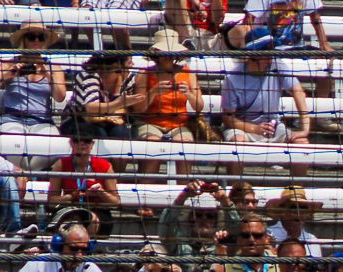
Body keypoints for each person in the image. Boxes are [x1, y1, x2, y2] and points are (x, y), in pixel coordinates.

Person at [221, 38, 311, 173]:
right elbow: (228, 119)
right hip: (243, 128)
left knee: (303, 144)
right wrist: (255, 128)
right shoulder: (232, 78)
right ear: (253, 55)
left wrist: (305, 129)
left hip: (273, 127)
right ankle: (236, 185)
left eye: (271, 50)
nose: (271, 56)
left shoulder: (277, 65)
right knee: (237, 143)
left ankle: (297, 186)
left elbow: (298, 91)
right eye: (266, 52)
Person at [0, 22, 69, 158]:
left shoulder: (53, 68)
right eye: (32, 36)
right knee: (12, 145)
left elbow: (60, 97)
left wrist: (47, 73)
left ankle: (24, 169)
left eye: (41, 37)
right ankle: (22, 169)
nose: (36, 41)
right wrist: (10, 73)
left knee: (54, 147)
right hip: (12, 120)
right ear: (24, 40)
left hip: (42, 121)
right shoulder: (10, 64)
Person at [132, 30, 204, 177]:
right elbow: (138, 109)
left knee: (184, 144)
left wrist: (188, 93)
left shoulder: (187, 72)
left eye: (171, 53)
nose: (168, 57)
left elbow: (199, 107)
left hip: (179, 124)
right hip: (150, 122)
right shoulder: (145, 74)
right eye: (164, 53)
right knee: (153, 144)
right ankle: (146, 186)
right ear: (156, 54)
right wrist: (153, 92)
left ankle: (184, 186)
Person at [46, 132, 121, 238]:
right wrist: (72, 196)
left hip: (97, 211)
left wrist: (100, 193)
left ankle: (79, 243)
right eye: (77, 140)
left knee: (86, 219)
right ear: (71, 143)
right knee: (74, 217)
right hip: (70, 209)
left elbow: (115, 202)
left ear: (92, 144)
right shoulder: (61, 164)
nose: (81, 144)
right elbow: (51, 201)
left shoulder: (104, 166)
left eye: (86, 141)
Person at [63, 53, 143, 148]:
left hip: (112, 120)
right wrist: (119, 103)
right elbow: (91, 107)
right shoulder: (88, 76)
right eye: (129, 62)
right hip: (78, 120)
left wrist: (117, 110)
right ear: (116, 65)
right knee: (99, 133)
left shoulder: (129, 79)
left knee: (121, 133)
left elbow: (126, 109)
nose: (133, 65)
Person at [159, 180, 239, 258]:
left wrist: (225, 200)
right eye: (198, 215)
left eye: (210, 216)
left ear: (217, 222)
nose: (204, 219)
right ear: (189, 219)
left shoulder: (223, 245)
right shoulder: (179, 246)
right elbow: (166, 227)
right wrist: (183, 195)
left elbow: (238, 229)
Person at [264, 186, 324, 259]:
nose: (299, 213)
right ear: (281, 211)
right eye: (293, 207)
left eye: (303, 208)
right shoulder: (266, 236)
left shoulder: (312, 240)